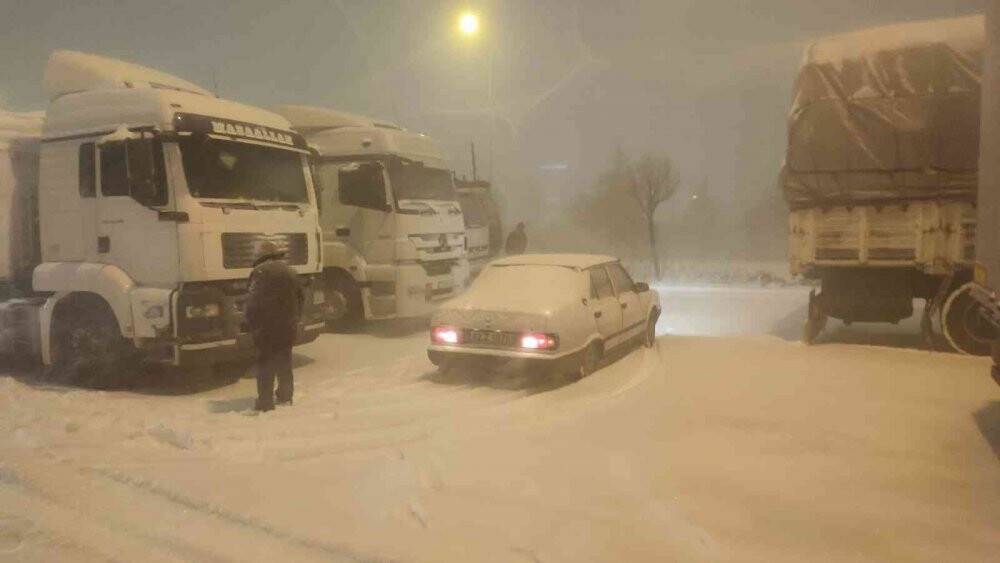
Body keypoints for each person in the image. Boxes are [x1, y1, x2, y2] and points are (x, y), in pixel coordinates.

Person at [245, 241, 304, 412]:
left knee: (265, 363)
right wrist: (296, 317)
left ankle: (265, 401)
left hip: (267, 326)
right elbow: (301, 297)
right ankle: (286, 395)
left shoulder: (260, 272)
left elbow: (253, 301)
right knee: (284, 360)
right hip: (288, 324)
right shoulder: (291, 271)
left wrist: (251, 322)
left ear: (261, 256)